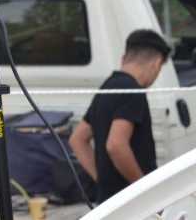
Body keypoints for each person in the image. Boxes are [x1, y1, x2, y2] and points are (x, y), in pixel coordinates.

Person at [68, 29, 171, 203]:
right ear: (156, 63)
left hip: (108, 201)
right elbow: (116, 145)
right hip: (131, 204)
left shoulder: (108, 86)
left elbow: (77, 139)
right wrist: (143, 189)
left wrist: (102, 180)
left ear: (125, 58)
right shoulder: (132, 90)